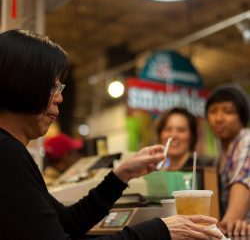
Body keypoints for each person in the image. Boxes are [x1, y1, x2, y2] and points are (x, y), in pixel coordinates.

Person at [0, 29, 223, 240]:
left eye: (60, 87)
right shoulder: (7, 154)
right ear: (23, 83)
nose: (59, 98)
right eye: (52, 86)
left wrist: (120, 176)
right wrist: (160, 230)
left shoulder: (13, 151)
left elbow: (68, 222)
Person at [205, 83, 250, 237]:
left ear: (242, 116)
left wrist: (222, 229)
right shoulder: (220, 158)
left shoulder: (246, 140)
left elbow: (243, 182)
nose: (218, 118)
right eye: (212, 111)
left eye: (228, 111)